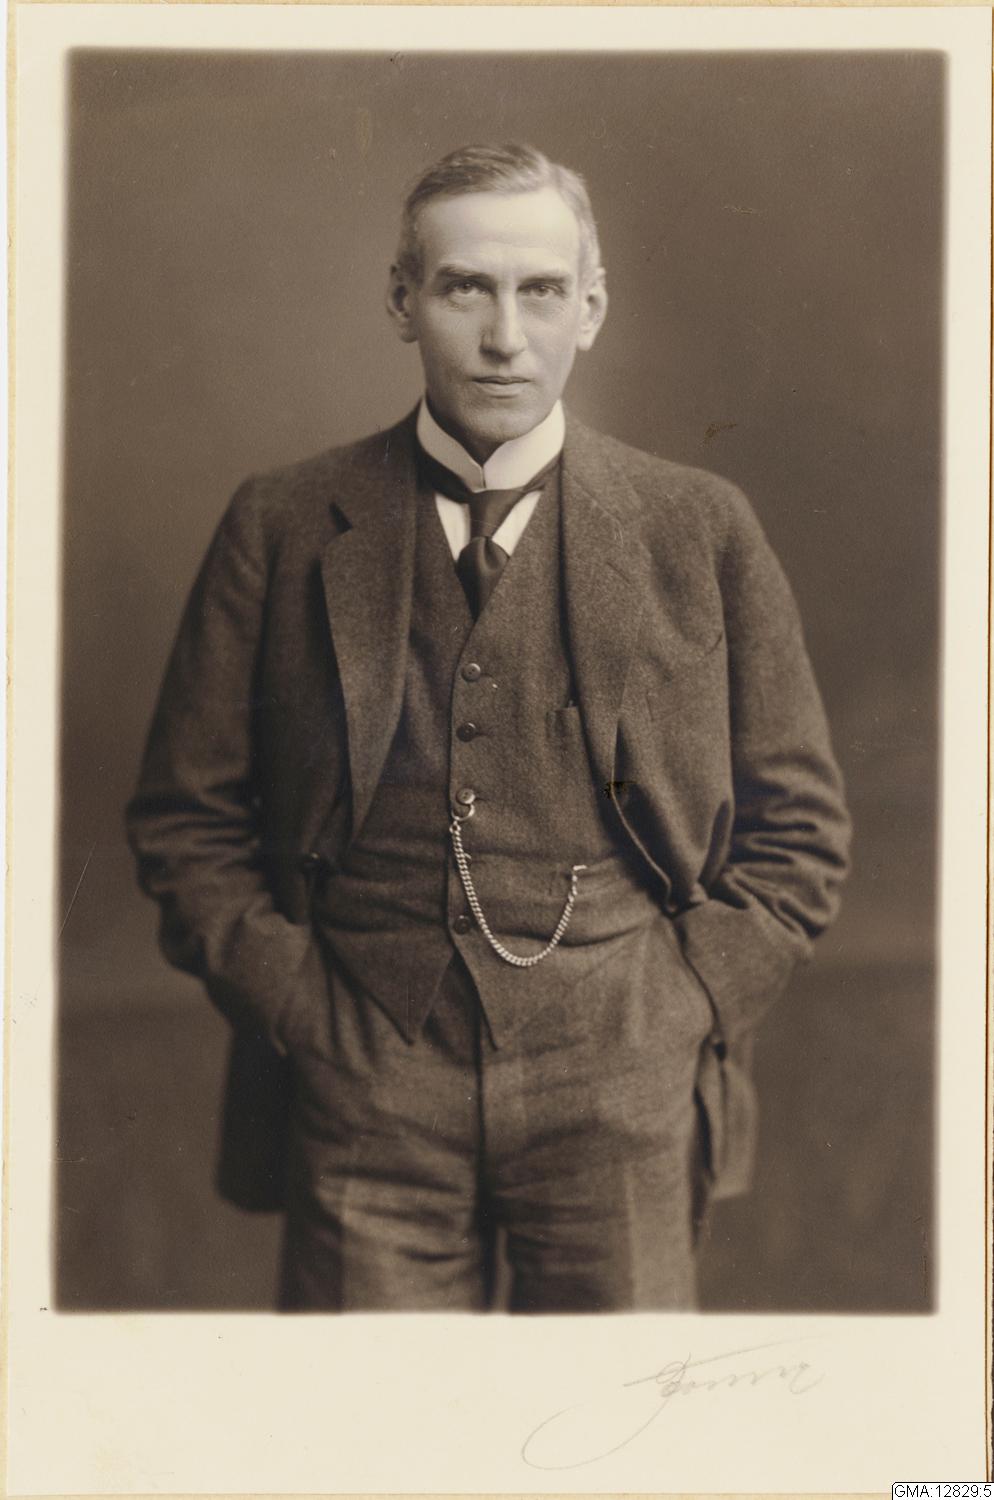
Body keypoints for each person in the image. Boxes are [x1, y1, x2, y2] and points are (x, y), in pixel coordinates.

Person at [126, 141, 851, 1313]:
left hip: (621, 1090)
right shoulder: (282, 523)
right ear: (402, 299)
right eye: (467, 287)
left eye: (542, 291)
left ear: (591, 309)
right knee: (373, 1425)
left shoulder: (698, 528)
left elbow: (801, 833)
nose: (506, 336)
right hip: (363, 1091)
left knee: (613, 1423)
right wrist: (298, 1005)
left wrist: (681, 1008)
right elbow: (184, 819)